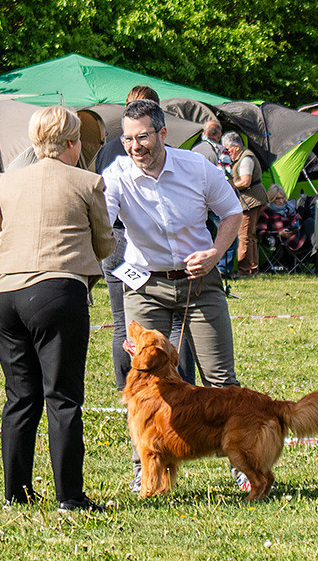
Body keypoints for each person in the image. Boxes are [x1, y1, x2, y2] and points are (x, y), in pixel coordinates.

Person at [102, 99, 248, 491]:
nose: (135, 147)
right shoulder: (116, 175)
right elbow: (101, 220)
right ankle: (145, 468)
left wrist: (215, 252)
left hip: (200, 283)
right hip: (145, 285)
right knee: (143, 381)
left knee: (220, 378)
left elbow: (232, 213)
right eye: (128, 139)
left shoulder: (197, 167)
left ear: (163, 133)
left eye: (143, 137)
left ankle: (242, 465)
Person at [0, 106, 116, 512]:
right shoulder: (88, 182)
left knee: (20, 397)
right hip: (57, 291)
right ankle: (70, 497)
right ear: (72, 143)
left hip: (3, 294)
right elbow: (105, 243)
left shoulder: (7, 181)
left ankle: (15, 494)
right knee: (63, 398)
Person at [105, 85, 197, 391]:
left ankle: (130, 391)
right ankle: (179, 389)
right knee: (173, 323)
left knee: (124, 324)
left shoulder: (108, 148)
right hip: (134, 245)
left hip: (114, 241)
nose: (136, 145)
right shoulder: (159, 148)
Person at [192, 119, 237, 275]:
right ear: (219, 134)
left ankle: (205, 266)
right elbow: (225, 175)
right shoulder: (221, 151)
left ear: (203, 133)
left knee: (205, 234)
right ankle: (223, 269)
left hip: (198, 200)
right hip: (216, 200)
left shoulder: (194, 150)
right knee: (228, 234)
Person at [223, 132, 267, 277]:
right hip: (253, 199)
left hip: (250, 200)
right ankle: (253, 268)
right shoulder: (244, 157)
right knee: (250, 236)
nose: (228, 153)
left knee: (244, 236)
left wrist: (227, 186)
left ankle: (244, 270)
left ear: (236, 146)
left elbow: (245, 181)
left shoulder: (246, 159)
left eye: (228, 150)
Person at [257, 184, 306, 253]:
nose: (281, 201)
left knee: (309, 222)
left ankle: (317, 247)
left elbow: (300, 221)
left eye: (282, 198)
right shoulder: (266, 212)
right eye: (278, 198)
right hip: (281, 242)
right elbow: (260, 233)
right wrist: (279, 234)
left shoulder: (289, 208)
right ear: (271, 198)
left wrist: (295, 226)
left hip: (296, 235)